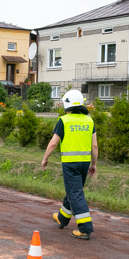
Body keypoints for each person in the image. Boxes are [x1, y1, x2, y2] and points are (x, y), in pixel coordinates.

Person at [42, 89, 98, 240]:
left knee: (75, 193)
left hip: (70, 164)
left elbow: (53, 143)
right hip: (85, 163)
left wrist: (45, 158)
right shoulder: (89, 120)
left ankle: (85, 228)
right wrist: (94, 164)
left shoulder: (64, 120)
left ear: (67, 104)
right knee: (74, 190)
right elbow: (94, 146)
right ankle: (62, 218)